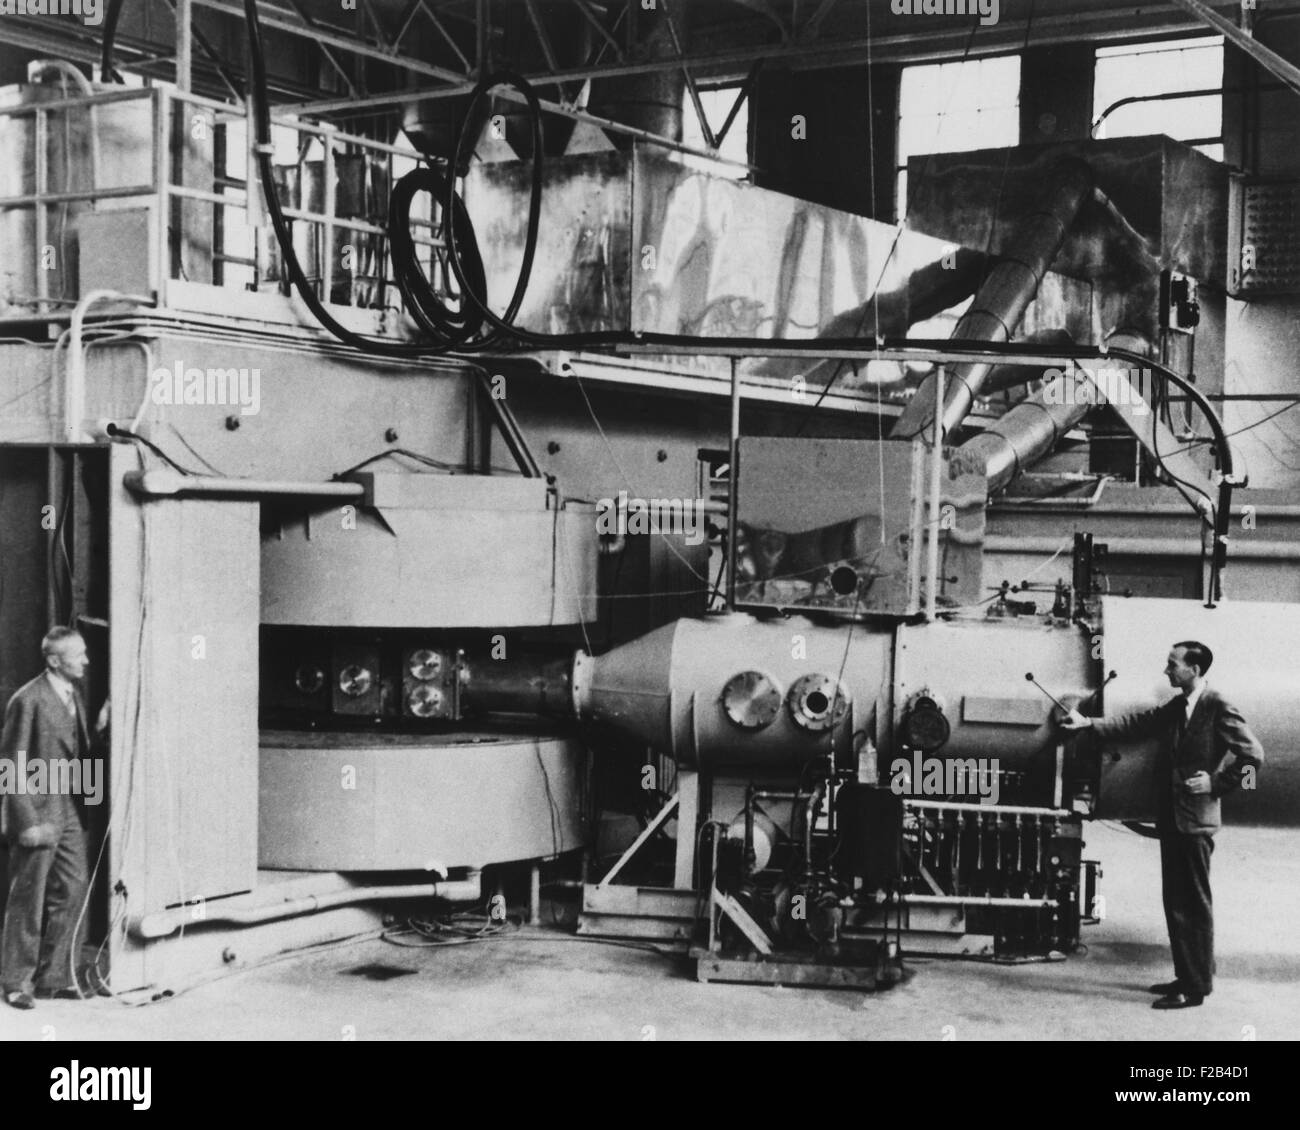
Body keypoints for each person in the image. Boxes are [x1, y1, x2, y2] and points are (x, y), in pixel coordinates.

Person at [1060, 640, 1263, 1010]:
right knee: (1177, 903)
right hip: (1173, 819)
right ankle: (1186, 977)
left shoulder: (1217, 706)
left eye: (1173, 664)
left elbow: (1253, 758)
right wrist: (1088, 723)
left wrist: (1217, 785)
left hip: (1195, 821)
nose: (1167, 670)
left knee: (1192, 906)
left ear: (1194, 670)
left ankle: (1195, 987)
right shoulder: (1178, 706)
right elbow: (1139, 723)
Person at [0, 627, 97, 1009]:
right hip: (38, 808)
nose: (86, 661)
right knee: (29, 896)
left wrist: (90, 805)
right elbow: (10, 764)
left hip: (69, 807)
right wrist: (26, 823)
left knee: (73, 888)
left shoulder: (76, 696)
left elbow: (80, 753)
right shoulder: (28, 699)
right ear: (55, 660)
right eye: (79, 655)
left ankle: (53, 978)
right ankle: (14, 981)